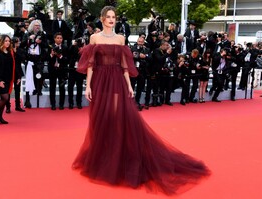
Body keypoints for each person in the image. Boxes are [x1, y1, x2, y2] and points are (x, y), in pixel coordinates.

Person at [72, 6, 210, 195]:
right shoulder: (94, 38)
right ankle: (104, 156)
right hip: (99, 81)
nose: (112, 20)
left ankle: (117, 159)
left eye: (114, 17)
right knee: (100, 119)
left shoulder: (121, 39)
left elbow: (123, 65)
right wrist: (87, 86)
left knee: (115, 118)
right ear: (103, 19)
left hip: (117, 80)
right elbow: (90, 65)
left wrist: (129, 85)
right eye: (109, 17)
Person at [0, 35, 15, 124]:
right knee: (5, 97)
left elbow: (12, 66)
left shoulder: (10, 52)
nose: (8, 42)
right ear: (1, 41)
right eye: (6, 41)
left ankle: (0, 117)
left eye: (9, 41)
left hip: (7, 79)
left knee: (5, 98)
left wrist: (16, 77)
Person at [48, 32, 69, 110]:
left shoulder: (65, 47)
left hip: (62, 70)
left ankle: (61, 104)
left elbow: (67, 60)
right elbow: (46, 59)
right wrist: (51, 55)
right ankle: (53, 104)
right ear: (54, 39)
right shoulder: (50, 47)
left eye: (61, 38)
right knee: (52, 87)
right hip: (52, 70)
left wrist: (60, 56)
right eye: (58, 38)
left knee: (62, 87)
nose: (59, 39)